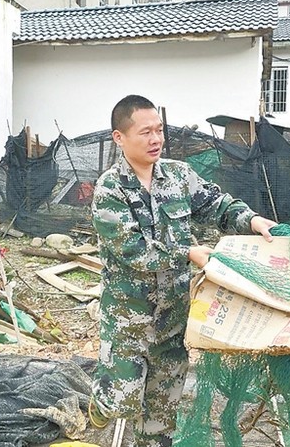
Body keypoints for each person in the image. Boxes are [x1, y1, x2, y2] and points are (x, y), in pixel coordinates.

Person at [88, 95, 277, 446]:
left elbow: (216, 204)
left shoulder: (179, 176)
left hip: (174, 319)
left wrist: (251, 220)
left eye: (159, 130)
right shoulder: (110, 191)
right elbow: (134, 252)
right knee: (122, 401)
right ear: (119, 138)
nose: (156, 139)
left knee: (160, 417)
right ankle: (101, 399)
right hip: (130, 322)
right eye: (145, 132)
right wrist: (188, 253)